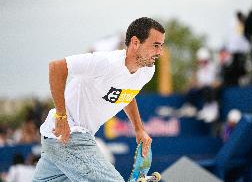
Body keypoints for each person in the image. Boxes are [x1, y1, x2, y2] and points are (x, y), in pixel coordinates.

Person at [32, 17, 165, 182]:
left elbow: (127, 94)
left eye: (161, 46)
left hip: (55, 143)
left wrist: (139, 129)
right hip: (70, 134)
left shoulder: (146, 72)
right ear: (135, 42)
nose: (160, 52)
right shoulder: (106, 63)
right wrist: (61, 116)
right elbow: (57, 67)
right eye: (155, 45)